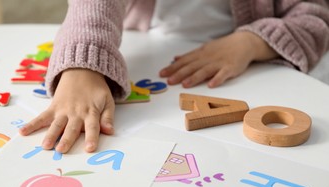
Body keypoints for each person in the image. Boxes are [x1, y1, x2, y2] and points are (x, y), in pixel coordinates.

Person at [19, 0, 329, 154]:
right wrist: (82, 64)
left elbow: (314, 17)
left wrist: (251, 42)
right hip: (150, 44)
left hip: (260, 63)